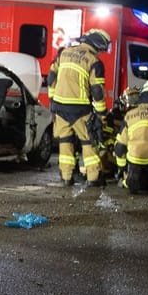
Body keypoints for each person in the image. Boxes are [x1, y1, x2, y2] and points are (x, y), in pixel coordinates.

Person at [47, 28, 112, 188]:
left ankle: (66, 177)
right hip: (80, 108)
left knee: (65, 141)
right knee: (89, 142)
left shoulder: (64, 53)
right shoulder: (94, 61)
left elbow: (51, 78)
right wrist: (101, 113)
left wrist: (52, 100)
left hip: (59, 106)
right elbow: (97, 91)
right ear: (98, 45)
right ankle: (93, 177)